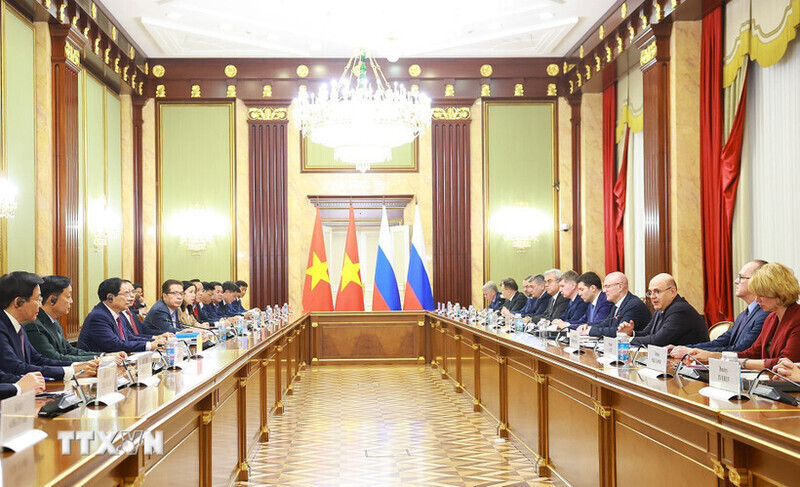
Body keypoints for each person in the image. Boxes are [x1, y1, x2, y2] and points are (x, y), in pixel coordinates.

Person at [689, 263, 800, 370]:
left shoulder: (797, 318)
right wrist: (712, 356)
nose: (757, 300)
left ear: (778, 293)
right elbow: (752, 353)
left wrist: (741, 362)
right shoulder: (771, 319)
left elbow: (786, 363)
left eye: (761, 295)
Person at [0, 272, 98, 380]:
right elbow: (15, 368)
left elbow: (38, 360)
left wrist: (75, 366)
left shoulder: (19, 326)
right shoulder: (3, 327)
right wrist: (71, 371)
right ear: (18, 302)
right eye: (37, 300)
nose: (40, 305)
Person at [670, 260, 769, 358]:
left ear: (756, 281)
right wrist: (686, 348)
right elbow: (720, 342)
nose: (735, 281)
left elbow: (741, 350)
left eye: (741, 277)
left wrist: (693, 352)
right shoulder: (743, 315)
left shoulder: (764, 314)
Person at [23, 275, 125, 363]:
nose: (71, 301)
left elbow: (70, 350)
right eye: (68, 297)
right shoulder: (34, 325)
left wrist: (103, 355)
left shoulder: (54, 321)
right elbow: (54, 358)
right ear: (52, 300)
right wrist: (100, 359)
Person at [617, 273, 708, 347]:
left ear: (672, 292)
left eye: (657, 291)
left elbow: (658, 341)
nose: (652, 297)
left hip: (692, 362)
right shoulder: (660, 308)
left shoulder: (680, 310)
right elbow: (648, 333)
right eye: (650, 292)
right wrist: (631, 333)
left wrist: (628, 339)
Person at [78, 278, 165, 353]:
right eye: (126, 294)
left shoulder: (118, 314)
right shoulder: (98, 317)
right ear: (110, 298)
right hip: (96, 364)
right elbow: (114, 345)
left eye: (132, 293)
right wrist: (149, 345)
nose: (131, 297)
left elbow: (130, 337)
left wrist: (155, 341)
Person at [579, 272, 651, 337]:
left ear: (620, 287)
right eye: (604, 287)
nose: (604, 291)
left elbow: (619, 331)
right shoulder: (616, 305)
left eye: (607, 286)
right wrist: (588, 327)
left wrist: (589, 331)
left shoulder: (634, 305)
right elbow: (605, 324)